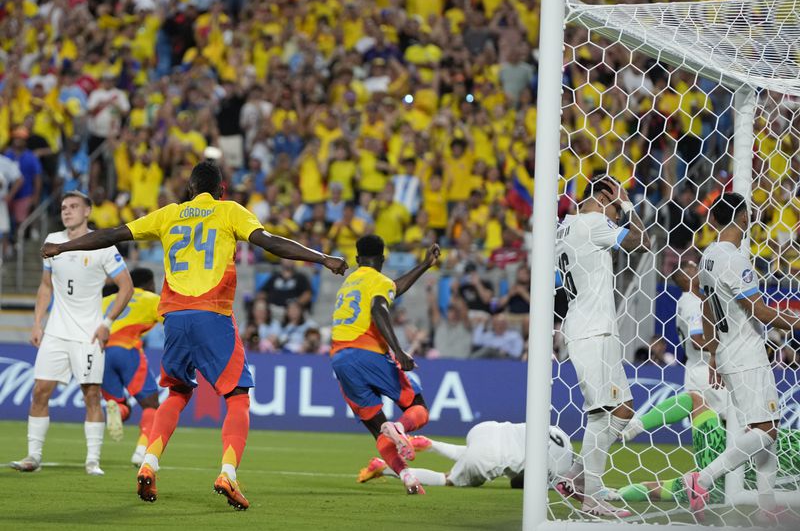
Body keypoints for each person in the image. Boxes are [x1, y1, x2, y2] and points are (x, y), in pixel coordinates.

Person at [41, 161, 347, 510]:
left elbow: (111, 234)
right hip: (212, 313)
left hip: (174, 318)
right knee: (238, 396)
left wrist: (63, 248)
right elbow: (270, 242)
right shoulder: (229, 211)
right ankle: (228, 473)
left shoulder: (169, 214)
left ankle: (149, 462)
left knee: (176, 391)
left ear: (189, 189)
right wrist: (322, 258)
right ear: (222, 190)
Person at [683, 192, 800, 523]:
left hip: (729, 350)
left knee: (767, 428)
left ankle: (766, 504)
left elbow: (707, 307)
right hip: (747, 352)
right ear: (745, 218)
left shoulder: (708, 257)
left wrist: (714, 352)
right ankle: (702, 479)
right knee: (765, 431)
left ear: (714, 220)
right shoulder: (735, 258)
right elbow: (760, 311)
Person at [11, 191, 134, 476]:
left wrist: (107, 322)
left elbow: (125, 287)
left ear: (88, 211)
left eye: (74, 207)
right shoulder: (51, 241)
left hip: (88, 334)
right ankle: (33, 455)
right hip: (55, 331)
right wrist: (37, 322)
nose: (67, 211)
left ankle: (92, 460)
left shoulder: (101, 246)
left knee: (91, 395)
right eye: (64, 207)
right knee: (40, 391)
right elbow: (46, 285)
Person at [554, 175, 651, 517]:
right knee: (602, 413)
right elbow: (643, 241)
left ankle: (575, 478)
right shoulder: (594, 221)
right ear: (603, 198)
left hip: (592, 328)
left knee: (622, 408)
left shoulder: (565, 227)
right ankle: (591, 494)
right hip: (591, 330)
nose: (615, 213)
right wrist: (626, 205)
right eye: (612, 203)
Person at [330, 234, 440, 495]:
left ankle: (408, 478)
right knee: (418, 408)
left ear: (358, 260)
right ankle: (400, 427)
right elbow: (380, 307)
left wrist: (425, 265)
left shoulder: (349, 282)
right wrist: (399, 351)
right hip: (368, 353)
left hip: (340, 360)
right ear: (382, 258)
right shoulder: (378, 282)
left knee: (379, 429)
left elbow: (395, 287)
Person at [611, 391, 800, 517]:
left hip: (725, 458)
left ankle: (635, 427)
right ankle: (616, 494)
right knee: (657, 490)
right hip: (721, 492)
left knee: (695, 399)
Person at [623, 260, 726, 441]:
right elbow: (697, 341)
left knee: (703, 426)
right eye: (694, 269)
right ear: (686, 278)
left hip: (694, 367)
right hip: (707, 370)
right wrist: (726, 345)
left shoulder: (685, 301)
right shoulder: (693, 303)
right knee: (727, 420)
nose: (699, 270)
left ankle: (641, 423)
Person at [358, 422, 546, 488]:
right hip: (491, 456)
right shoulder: (557, 471)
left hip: (487, 429)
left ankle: (430, 444)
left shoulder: (556, 433)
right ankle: (384, 467)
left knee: (473, 453)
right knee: (447, 479)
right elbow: (518, 482)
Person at [100, 267, 163, 466]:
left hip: (100, 353)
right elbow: (173, 321)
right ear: (149, 284)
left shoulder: (108, 300)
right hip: (126, 350)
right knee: (151, 405)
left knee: (120, 404)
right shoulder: (151, 299)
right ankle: (141, 452)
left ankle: (117, 411)